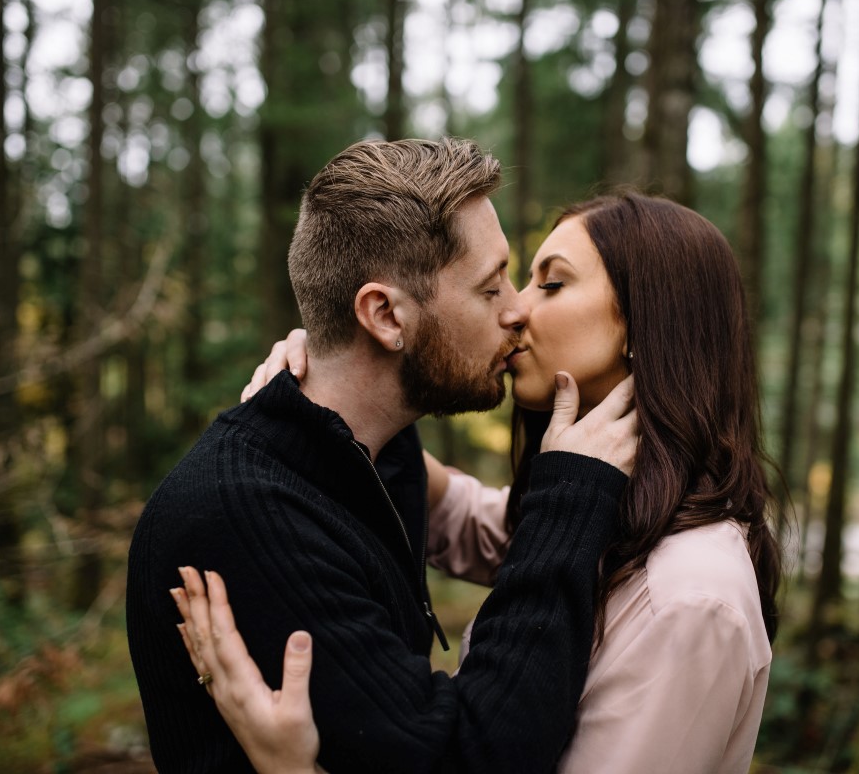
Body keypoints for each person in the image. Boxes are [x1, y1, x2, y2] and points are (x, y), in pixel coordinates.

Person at [177, 192, 784, 773]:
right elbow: (489, 527)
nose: (517, 308)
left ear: (643, 322)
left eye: (551, 283)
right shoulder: (620, 512)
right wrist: (341, 382)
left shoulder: (689, 598)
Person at [127, 138, 639, 774]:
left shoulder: (375, 454)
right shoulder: (245, 516)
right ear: (384, 315)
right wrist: (573, 498)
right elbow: (469, 758)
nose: (517, 311)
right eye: (489, 288)